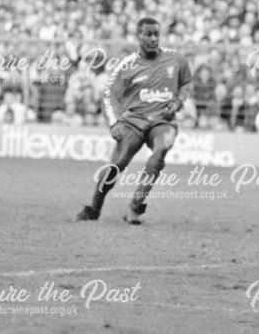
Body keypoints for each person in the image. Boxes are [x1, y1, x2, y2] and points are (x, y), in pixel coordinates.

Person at [75, 17, 192, 225]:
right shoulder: (126, 65)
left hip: (162, 121)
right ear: (138, 36)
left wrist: (178, 102)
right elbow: (110, 94)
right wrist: (114, 123)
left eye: (156, 34)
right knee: (117, 165)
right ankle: (94, 208)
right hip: (133, 122)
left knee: (162, 148)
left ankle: (134, 208)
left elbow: (186, 83)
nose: (153, 38)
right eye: (148, 34)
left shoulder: (176, 60)